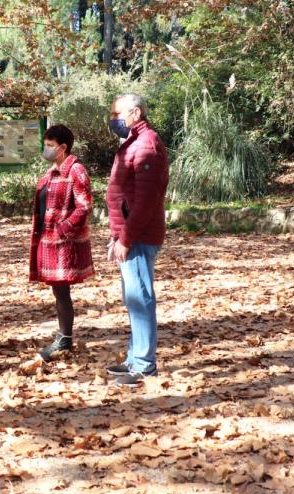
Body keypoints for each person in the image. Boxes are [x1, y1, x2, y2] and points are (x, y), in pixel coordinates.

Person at [105, 93, 169, 386]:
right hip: (130, 235)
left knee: (141, 298)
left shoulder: (146, 145)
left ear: (135, 113)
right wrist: (117, 235)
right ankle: (135, 358)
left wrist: (127, 238)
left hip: (140, 237)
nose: (113, 120)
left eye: (116, 114)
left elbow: (144, 201)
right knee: (133, 298)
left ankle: (144, 364)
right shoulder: (134, 143)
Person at [29, 124, 94, 360]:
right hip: (48, 242)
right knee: (58, 292)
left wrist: (63, 229)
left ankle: (64, 339)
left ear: (63, 147)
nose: (45, 150)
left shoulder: (75, 171)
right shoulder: (51, 172)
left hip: (63, 243)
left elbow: (84, 206)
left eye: (50, 146)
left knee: (62, 292)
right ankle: (63, 337)